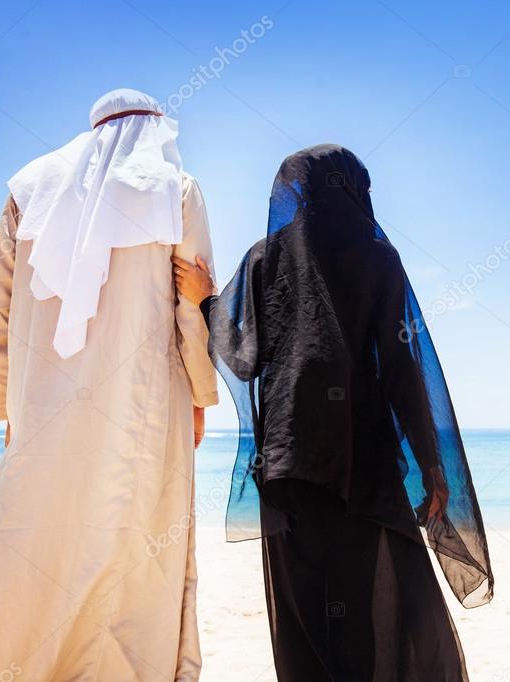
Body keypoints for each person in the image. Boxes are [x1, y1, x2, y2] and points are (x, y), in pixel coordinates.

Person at [173, 144, 493, 681]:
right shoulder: (377, 256)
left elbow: (239, 355)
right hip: (362, 474)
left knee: (301, 623)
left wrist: (207, 301)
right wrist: (432, 469)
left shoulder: (263, 257)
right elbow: (401, 368)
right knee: (362, 615)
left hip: (286, 469)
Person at [0, 89, 217, 681]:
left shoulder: (28, 191)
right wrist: (199, 394)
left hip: (41, 402)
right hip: (144, 404)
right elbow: (191, 302)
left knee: (34, 539)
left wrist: (5, 405)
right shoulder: (176, 189)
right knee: (131, 543)